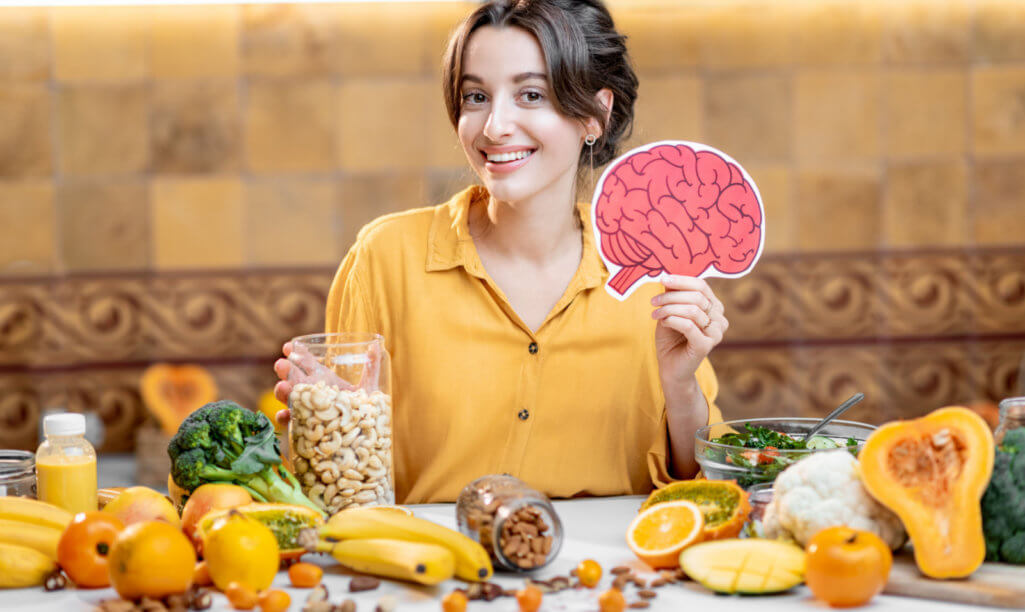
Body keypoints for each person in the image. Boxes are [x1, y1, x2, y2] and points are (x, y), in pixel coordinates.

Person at [274, 0, 729, 504]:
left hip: (615, 572)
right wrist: (329, 430)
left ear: (596, 114)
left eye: (530, 94)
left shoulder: (652, 271)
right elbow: (342, 487)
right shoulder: (385, 259)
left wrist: (681, 386)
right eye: (476, 97)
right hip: (434, 571)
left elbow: (705, 494)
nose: (494, 126)